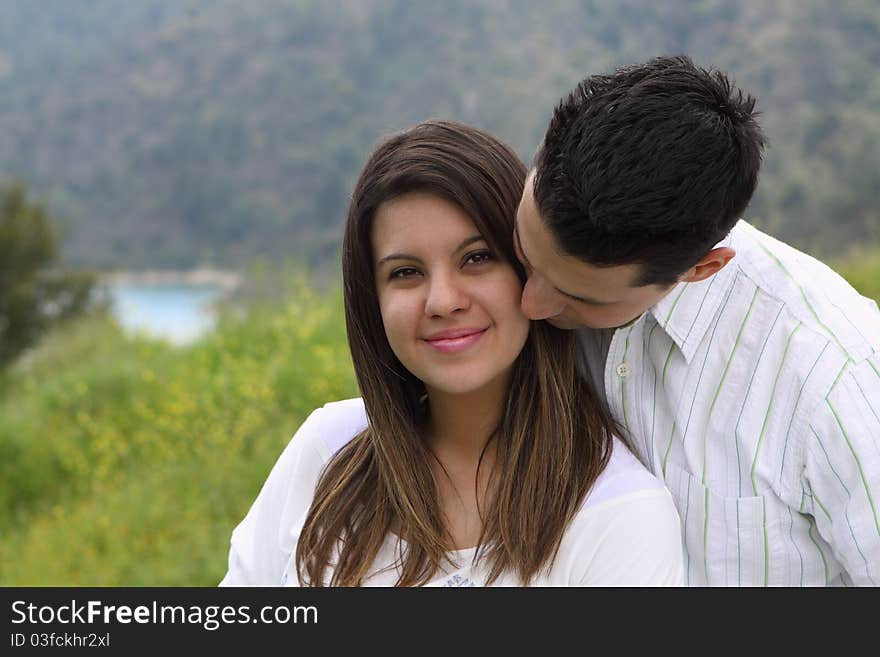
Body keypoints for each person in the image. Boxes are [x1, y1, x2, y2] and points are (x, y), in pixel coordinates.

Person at [220, 120, 683, 586]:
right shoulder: (327, 452)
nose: (443, 301)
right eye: (405, 272)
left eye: (476, 258)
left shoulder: (620, 516)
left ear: (531, 270)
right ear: (372, 300)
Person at [514, 55, 880, 586]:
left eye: (577, 297)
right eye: (525, 255)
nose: (529, 304)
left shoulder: (835, 381)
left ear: (702, 268)